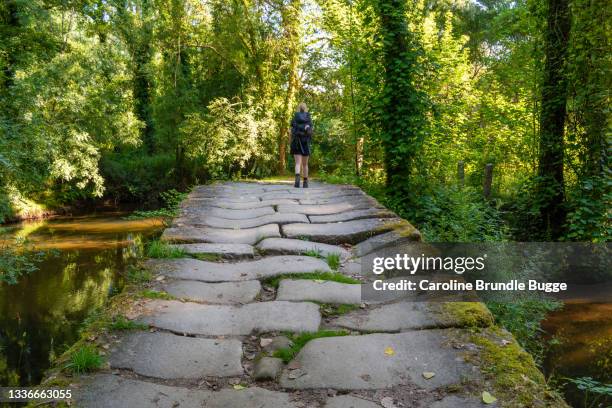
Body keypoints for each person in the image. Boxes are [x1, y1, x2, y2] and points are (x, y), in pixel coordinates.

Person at [290, 102, 313, 188]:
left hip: (296, 142)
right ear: (305, 108)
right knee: (305, 164)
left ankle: (297, 181)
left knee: (297, 163)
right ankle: (305, 183)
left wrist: (290, 142)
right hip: (305, 142)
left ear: (298, 108)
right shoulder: (308, 118)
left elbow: (291, 131)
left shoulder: (295, 118)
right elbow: (311, 132)